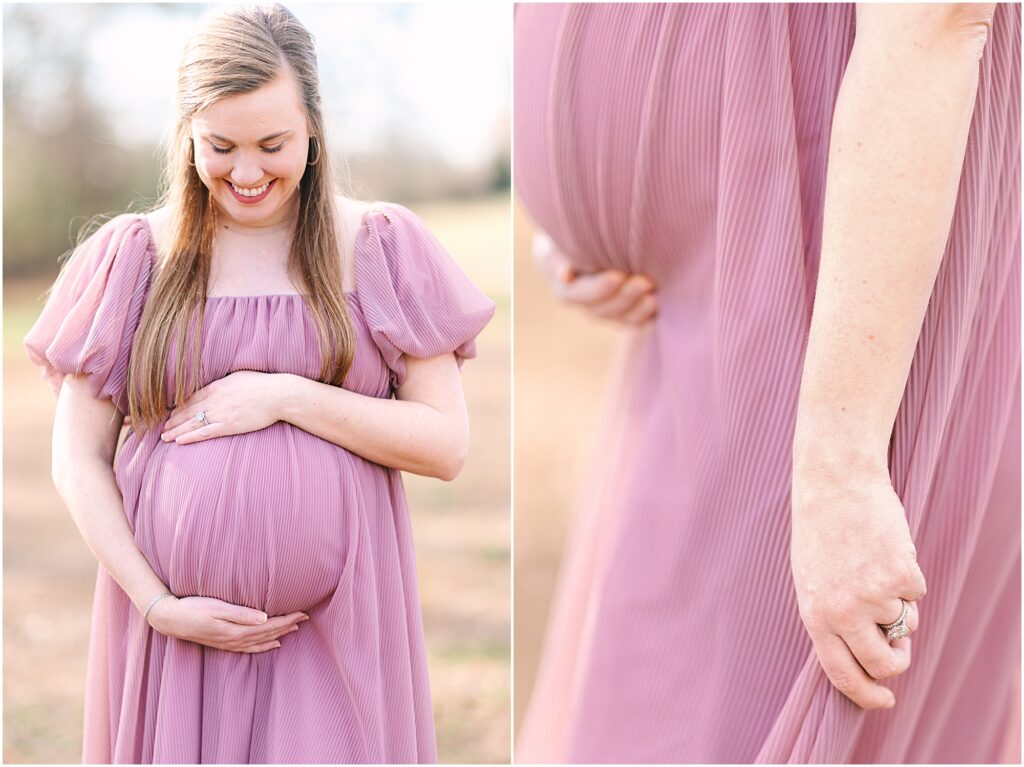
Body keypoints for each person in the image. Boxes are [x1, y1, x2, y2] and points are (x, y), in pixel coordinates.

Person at [515, 3, 1019, 763]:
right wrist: (583, 195)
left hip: (834, 326)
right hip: (697, 318)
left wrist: (843, 466)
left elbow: (933, 23)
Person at [24, 4, 495, 763]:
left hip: (337, 631)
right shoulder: (136, 256)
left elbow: (445, 445)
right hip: (179, 642)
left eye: (272, 144)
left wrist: (286, 395)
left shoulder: (376, 244)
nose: (246, 174)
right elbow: (77, 457)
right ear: (186, 135)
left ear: (313, 125)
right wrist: (160, 603)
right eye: (221, 146)